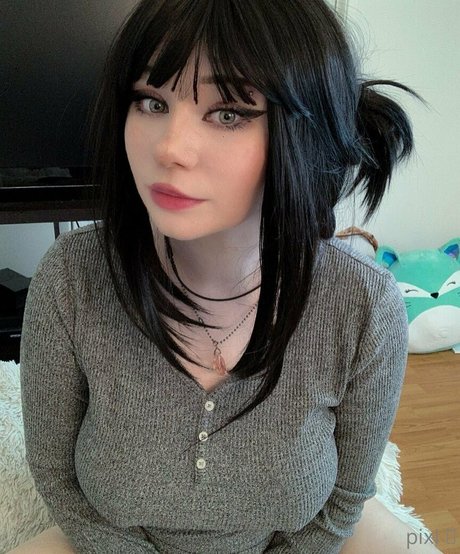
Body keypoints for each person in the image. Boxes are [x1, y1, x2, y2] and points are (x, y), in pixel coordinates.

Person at [12, 0, 442, 553]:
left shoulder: (364, 304)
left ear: (304, 132)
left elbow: (345, 498)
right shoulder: (70, 279)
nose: (170, 148)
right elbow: (58, 479)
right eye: (151, 102)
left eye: (229, 113)